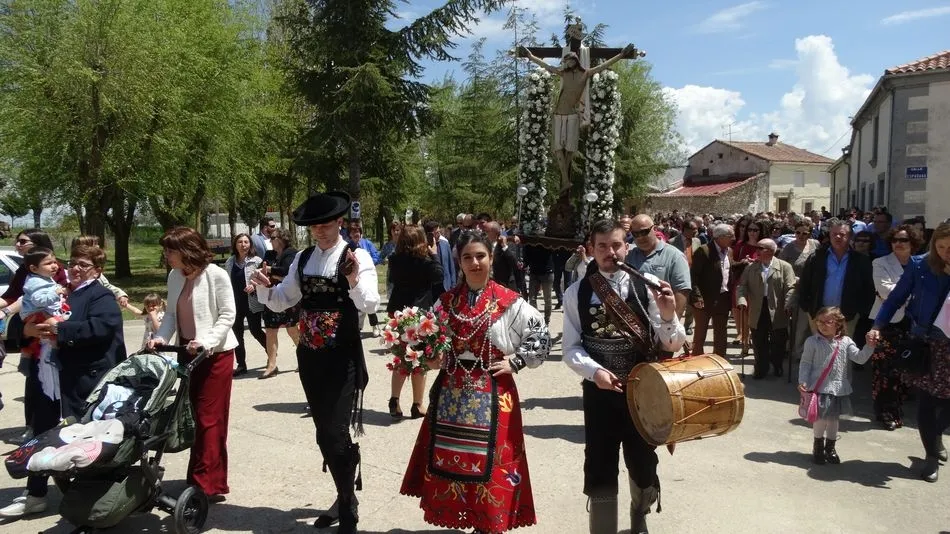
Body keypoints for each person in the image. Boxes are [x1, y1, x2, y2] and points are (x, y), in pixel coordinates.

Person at [400, 231, 550, 533]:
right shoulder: (446, 302)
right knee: (452, 459)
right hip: (451, 393)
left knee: (493, 462)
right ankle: (463, 515)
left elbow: (540, 334)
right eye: (467, 257)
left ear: (491, 258)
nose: (474, 262)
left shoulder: (510, 302)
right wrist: (431, 357)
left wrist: (516, 361)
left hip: (495, 393)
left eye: (480, 255)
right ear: (459, 261)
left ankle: (487, 524)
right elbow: (430, 342)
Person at [251, 191, 379, 533]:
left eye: (326, 225)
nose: (320, 231)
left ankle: (347, 504)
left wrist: (352, 279)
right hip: (309, 357)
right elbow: (282, 302)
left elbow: (369, 304)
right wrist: (265, 288)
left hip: (344, 357)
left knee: (335, 432)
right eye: (314, 227)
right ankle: (344, 494)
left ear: (339, 222)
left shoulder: (357, 256)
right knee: (323, 433)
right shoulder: (303, 258)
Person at [563, 219, 685, 534]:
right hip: (600, 392)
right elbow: (571, 349)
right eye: (602, 246)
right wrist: (595, 372)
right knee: (600, 463)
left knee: (643, 463)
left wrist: (669, 314)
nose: (610, 252)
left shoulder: (647, 284)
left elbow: (672, 343)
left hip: (643, 392)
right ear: (591, 249)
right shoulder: (577, 293)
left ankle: (639, 513)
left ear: (626, 247)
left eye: (616, 244)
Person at [0, 244, 126, 518]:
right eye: (73, 263)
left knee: (80, 438)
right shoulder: (55, 291)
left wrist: (61, 328)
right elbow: (19, 319)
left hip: (81, 379)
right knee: (40, 432)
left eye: (84, 265)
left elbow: (103, 327)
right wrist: (27, 329)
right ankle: (35, 494)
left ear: (97, 271)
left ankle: (87, 498)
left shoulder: (100, 295)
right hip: (47, 375)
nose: (75, 269)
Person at [147, 227, 237, 502]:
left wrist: (207, 341)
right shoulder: (175, 276)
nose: (166, 256)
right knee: (191, 419)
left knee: (209, 420)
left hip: (215, 356)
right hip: (188, 354)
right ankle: (204, 477)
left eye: (170, 251)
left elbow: (227, 315)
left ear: (187, 251)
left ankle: (205, 485)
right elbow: (172, 316)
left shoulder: (216, 275)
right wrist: (161, 337)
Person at [869, 222, 950, 483]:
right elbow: (894, 299)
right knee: (928, 400)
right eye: (941, 247)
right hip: (928, 342)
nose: (946, 252)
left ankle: (937, 435)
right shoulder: (920, 265)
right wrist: (878, 325)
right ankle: (930, 456)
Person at [519, 44, 639, 195]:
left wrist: (621, 55)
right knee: (557, 149)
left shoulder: (586, 73)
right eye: (565, 61)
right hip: (558, 114)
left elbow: (604, 65)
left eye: (568, 61)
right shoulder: (564, 73)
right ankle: (565, 179)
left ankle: (565, 181)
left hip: (572, 115)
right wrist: (530, 56)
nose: (566, 63)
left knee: (570, 149)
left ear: (575, 60)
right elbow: (548, 66)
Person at [0, 229, 67, 443]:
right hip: (33, 326)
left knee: (49, 382)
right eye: (17, 241)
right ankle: (34, 427)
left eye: (22, 241)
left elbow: (23, 298)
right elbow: (13, 297)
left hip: (49, 330)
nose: (17, 244)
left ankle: (50, 426)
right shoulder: (25, 271)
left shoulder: (53, 269)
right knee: (35, 383)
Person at [798, 306, 875, 465]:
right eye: (819, 321)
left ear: (838, 324)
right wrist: (803, 380)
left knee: (833, 420)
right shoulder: (812, 341)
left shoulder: (846, 342)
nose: (822, 325)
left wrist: (869, 346)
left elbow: (860, 358)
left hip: (837, 389)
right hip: (819, 388)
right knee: (819, 419)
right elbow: (805, 363)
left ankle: (830, 448)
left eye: (828, 322)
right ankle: (818, 446)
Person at [386, 225, 443, 419]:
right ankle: (417, 405)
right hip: (418, 315)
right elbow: (439, 277)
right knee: (419, 361)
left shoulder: (394, 260)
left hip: (398, 314)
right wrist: (434, 254)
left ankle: (394, 399)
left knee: (402, 358)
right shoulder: (426, 262)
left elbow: (394, 279)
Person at [868, 224, 920, 430]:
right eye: (895, 240)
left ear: (912, 243)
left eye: (904, 240)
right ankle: (885, 413)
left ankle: (897, 409)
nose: (898, 243)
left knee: (907, 370)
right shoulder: (880, 263)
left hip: (914, 324)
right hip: (887, 322)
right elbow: (886, 292)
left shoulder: (921, 264)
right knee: (885, 371)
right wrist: (916, 297)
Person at [797, 219, 875, 337]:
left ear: (849, 237)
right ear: (829, 235)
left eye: (842, 234)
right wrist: (808, 308)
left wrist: (859, 312)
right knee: (820, 350)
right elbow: (804, 284)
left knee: (842, 352)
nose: (838, 237)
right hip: (819, 314)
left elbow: (868, 289)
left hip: (847, 316)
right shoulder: (816, 257)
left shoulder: (860, 261)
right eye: (834, 234)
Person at [736, 239, 796, 379]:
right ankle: (761, 368)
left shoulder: (784, 266)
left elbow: (791, 287)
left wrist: (789, 303)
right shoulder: (751, 268)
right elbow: (742, 287)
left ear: (770, 251)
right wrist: (742, 300)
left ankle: (777, 365)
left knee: (778, 341)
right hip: (758, 308)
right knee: (758, 341)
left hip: (778, 309)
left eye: (760, 248)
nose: (756, 250)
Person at [689, 224, 736, 357]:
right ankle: (697, 362)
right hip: (704, 299)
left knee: (721, 333)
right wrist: (696, 297)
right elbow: (694, 276)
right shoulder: (704, 251)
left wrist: (743, 264)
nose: (734, 238)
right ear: (719, 237)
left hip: (723, 298)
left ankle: (720, 361)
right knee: (700, 334)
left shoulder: (730, 251)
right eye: (730, 236)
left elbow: (728, 269)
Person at [224, 233, 266, 376]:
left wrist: (254, 286)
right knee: (237, 334)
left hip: (251, 302)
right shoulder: (230, 262)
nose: (243, 245)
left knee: (255, 330)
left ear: (250, 244)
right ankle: (241, 365)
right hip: (234, 304)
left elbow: (265, 280)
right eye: (240, 242)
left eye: (246, 242)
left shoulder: (257, 261)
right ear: (235, 245)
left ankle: (271, 354)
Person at [260, 227, 300, 378]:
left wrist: (270, 271)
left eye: (273, 237)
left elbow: (286, 272)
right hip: (271, 295)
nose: (270, 240)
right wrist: (272, 273)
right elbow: (263, 271)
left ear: (282, 239)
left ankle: (303, 358)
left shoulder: (292, 253)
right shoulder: (269, 254)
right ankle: (271, 365)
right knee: (270, 331)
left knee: (292, 330)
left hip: (288, 297)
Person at [18, 248, 68, 362]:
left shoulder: (42, 278)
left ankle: (26, 356)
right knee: (55, 327)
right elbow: (39, 300)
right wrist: (57, 293)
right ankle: (54, 355)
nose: (54, 266)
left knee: (37, 339)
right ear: (34, 268)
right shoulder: (36, 282)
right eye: (48, 263)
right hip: (36, 312)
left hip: (37, 312)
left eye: (55, 262)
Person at [731, 219, 765, 356]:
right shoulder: (740, 245)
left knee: (756, 315)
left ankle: (756, 344)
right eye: (749, 230)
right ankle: (745, 343)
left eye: (755, 230)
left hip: (760, 285)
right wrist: (743, 262)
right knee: (744, 313)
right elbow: (732, 263)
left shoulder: (764, 246)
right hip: (743, 282)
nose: (751, 232)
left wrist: (758, 262)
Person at [524, 243, 554, 324]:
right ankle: (537, 319)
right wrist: (524, 264)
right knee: (532, 298)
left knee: (547, 298)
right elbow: (526, 255)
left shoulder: (547, 240)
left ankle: (547, 320)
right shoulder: (529, 242)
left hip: (547, 272)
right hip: (534, 272)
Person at [485, 221, 519, 291]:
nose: (485, 233)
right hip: (490, 283)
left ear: (495, 232)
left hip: (505, 284)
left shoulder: (508, 242)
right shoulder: (485, 244)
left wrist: (504, 246)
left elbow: (514, 262)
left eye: (487, 231)